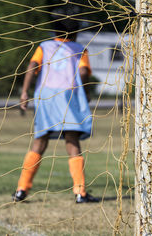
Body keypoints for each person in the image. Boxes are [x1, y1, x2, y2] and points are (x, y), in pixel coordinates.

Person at [12, 19, 98, 203]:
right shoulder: (79, 49)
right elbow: (83, 73)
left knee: (40, 140)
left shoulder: (44, 46)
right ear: (75, 33)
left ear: (54, 32)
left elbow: (32, 66)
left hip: (45, 96)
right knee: (72, 139)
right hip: (68, 95)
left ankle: (21, 190)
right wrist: (86, 91)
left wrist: (25, 91)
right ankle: (80, 193)